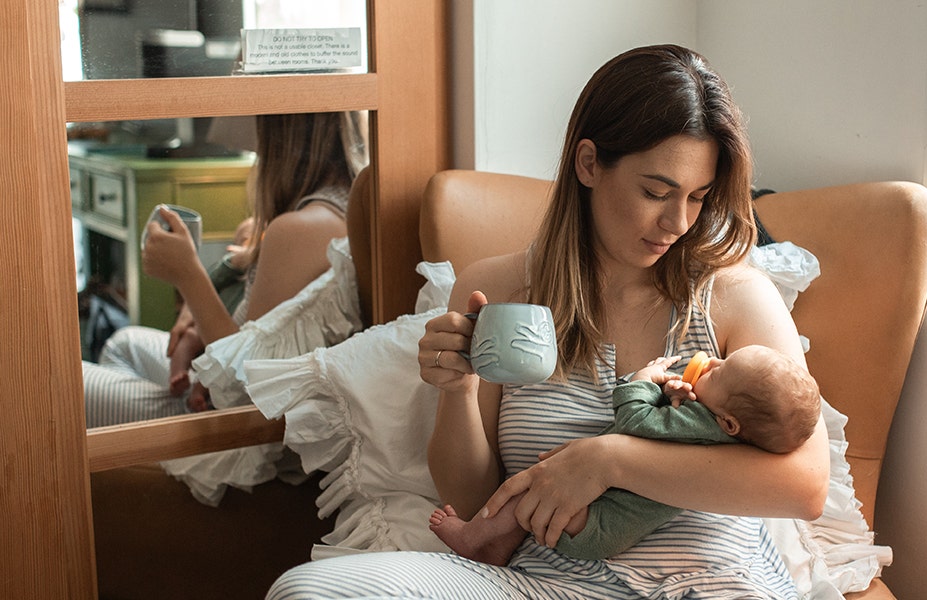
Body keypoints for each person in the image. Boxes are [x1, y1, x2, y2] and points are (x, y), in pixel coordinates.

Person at [268, 44, 828, 599]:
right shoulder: (500, 292)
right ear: (589, 164)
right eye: (655, 191)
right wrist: (459, 390)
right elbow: (471, 503)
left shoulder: (736, 296)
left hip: (709, 583)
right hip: (542, 584)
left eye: (698, 197)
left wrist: (609, 459)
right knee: (311, 591)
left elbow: (805, 486)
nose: (677, 221)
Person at [82, 112, 364, 428]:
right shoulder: (340, 202)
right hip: (221, 387)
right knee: (124, 343)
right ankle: (138, 448)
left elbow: (243, 385)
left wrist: (188, 275)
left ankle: (152, 445)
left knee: (75, 387)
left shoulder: (298, 230)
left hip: (235, 424)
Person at [429, 345, 821, 565]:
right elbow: (667, 435)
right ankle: (498, 545)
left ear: (730, 423)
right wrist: (674, 398)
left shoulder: (702, 425)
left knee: (532, 490)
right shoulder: (718, 432)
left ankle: (472, 536)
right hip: (603, 529)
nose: (711, 362)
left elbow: (637, 422)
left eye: (719, 372)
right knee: (533, 498)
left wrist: (642, 383)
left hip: (599, 525)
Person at [167, 216, 255, 412]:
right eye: (243, 240)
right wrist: (234, 261)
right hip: (205, 329)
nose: (248, 244)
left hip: (229, 341)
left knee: (214, 365)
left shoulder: (263, 275)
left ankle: (197, 395)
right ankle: (177, 376)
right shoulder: (232, 271)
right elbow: (207, 279)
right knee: (189, 337)